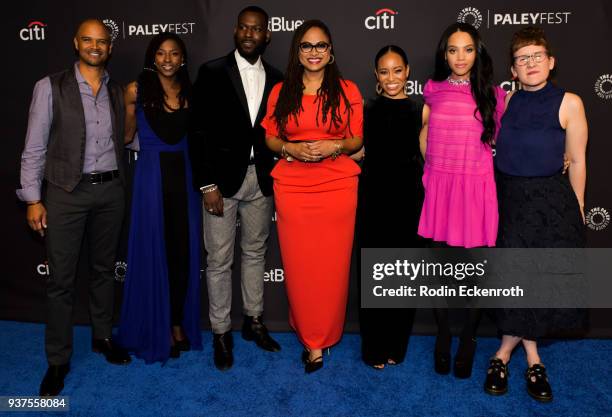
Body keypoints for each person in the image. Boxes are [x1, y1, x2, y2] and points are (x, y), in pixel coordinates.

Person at [16, 19, 130, 396]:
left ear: (110, 47)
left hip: (111, 191)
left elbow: (126, 139)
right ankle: (58, 360)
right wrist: (33, 198)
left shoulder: (116, 90)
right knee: (61, 280)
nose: (95, 47)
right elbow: (34, 147)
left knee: (103, 271)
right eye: (88, 40)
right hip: (66, 192)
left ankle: (102, 337)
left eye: (102, 41)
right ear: (75, 43)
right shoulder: (50, 87)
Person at [484, 27, 588, 402]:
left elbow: (576, 160)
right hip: (509, 199)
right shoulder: (505, 103)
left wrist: (575, 209)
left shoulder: (570, 102)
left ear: (551, 62)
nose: (530, 64)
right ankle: (520, 352)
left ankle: (516, 353)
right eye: (522, 59)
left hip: (550, 201)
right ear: (512, 69)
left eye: (537, 56)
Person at [262, 19, 364, 373]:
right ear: (297, 52)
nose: (314, 52)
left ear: (331, 51)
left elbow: (355, 140)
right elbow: (270, 139)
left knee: (331, 269)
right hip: (292, 187)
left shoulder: (347, 89)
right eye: (307, 46)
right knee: (301, 267)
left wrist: (334, 144)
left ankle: (324, 337)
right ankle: (310, 338)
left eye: (321, 46)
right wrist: (290, 149)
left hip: (337, 185)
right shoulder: (281, 91)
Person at [189, 6, 283, 371]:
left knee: (256, 253)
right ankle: (221, 331)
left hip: (260, 179)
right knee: (218, 260)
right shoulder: (211, 72)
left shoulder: (277, 77)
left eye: (256, 29)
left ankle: (253, 321)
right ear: (235, 31)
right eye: (244, 27)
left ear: (266, 35)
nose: (249, 33)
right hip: (220, 183)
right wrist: (207, 183)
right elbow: (197, 132)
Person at [418, 22, 506, 378]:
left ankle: (468, 338)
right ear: (444, 54)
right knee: (441, 273)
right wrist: (431, 172)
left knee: (474, 276)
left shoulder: (494, 94)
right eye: (453, 49)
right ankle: (443, 336)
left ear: (478, 52)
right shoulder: (433, 90)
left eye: (467, 49)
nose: (460, 57)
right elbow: (424, 134)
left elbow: (509, 140)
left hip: (476, 191)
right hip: (441, 189)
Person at [117, 32, 202, 363]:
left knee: (182, 254)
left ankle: (179, 323)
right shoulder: (135, 90)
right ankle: (159, 325)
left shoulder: (190, 92)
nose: (168, 59)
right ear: (153, 57)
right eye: (162, 53)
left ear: (183, 59)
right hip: (152, 178)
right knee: (156, 251)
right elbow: (126, 137)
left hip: (185, 177)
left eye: (175, 53)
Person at [358, 45, 423, 369]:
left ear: (408, 71)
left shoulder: (420, 111)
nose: (392, 78)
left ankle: (396, 344)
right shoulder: (364, 110)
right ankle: (373, 347)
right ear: (376, 75)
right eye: (384, 71)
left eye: (397, 70)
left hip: (409, 201)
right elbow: (351, 148)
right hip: (373, 200)